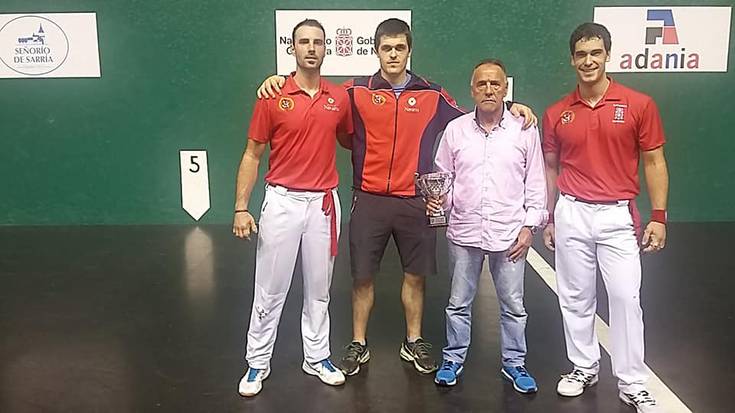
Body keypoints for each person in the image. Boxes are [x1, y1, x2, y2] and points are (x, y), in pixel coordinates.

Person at [257, 18, 538, 376]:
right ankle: (358, 342)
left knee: (415, 276)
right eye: (386, 48)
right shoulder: (354, 91)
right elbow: (315, 94)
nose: (393, 54)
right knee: (362, 277)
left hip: (414, 201)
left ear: (409, 51)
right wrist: (276, 81)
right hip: (369, 198)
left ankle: (413, 341)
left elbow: (476, 114)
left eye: (399, 48)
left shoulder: (432, 94)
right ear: (376, 51)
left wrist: (512, 105)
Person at [542, 22, 669, 412]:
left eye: (595, 53)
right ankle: (584, 367)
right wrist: (549, 217)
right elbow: (550, 167)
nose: (588, 61)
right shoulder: (557, 113)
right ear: (572, 59)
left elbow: (654, 161)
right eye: (581, 54)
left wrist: (659, 216)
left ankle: (632, 381)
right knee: (575, 296)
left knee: (626, 298)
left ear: (607, 55)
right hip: (571, 212)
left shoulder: (638, 104)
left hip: (617, 216)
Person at [233, 19, 351, 397]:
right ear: (293, 47)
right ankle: (257, 361)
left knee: (319, 289)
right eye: (304, 42)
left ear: (326, 48)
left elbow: (351, 138)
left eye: (318, 42)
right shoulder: (272, 95)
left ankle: (316, 357)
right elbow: (252, 154)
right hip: (282, 202)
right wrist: (241, 207)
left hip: (323, 205)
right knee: (269, 289)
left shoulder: (339, 98)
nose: (311, 48)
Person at [427, 59, 547, 392]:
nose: (489, 89)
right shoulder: (455, 130)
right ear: (472, 90)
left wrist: (529, 227)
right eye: (482, 84)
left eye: (495, 84)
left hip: (510, 235)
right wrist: (440, 201)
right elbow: (444, 178)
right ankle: (453, 359)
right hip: (463, 232)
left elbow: (536, 182)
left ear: (506, 88)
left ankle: (515, 363)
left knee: (513, 306)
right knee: (458, 303)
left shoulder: (525, 129)